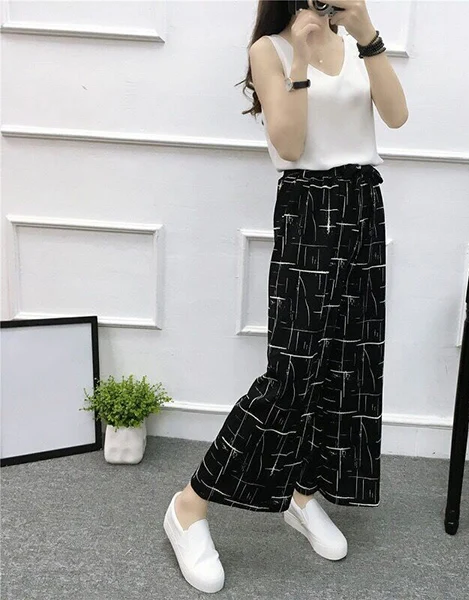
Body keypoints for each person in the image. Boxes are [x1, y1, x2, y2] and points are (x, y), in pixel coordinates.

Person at [163, 0, 408, 593]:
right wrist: (299, 56)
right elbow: (291, 146)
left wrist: (368, 33)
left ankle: (302, 493)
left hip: (363, 204)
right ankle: (189, 505)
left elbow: (397, 116)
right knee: (291, 374)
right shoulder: (268, 48)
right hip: (308, 207)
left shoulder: (358, 40)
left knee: (347, 360)